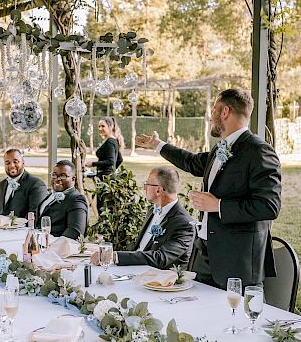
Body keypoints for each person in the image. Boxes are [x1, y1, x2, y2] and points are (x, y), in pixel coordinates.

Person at [135, 89, 281, 289]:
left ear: (225, 112)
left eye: (214, 110)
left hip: (237, 261)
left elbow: (269, 206)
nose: (210, 116)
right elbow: (193, 162)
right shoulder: (220, 148)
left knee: (233, 318)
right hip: (205, 255)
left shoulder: (258, 151)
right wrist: (157, 145)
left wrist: (218, 205)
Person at [91, 167, 194, 269]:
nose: (144, 188)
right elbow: (141, 249)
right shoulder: (152, 210)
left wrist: (115, 256)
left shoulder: (184, 223)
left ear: (158, 190)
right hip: (135, 271)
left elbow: (161, 258)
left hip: (161, 280)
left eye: (147, 185)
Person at [36, 160, 88, 240]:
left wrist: (52, 246)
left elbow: (75, 231)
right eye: (54, 175)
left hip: (56, 248)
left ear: (73, 179)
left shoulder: (76, 200)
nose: (57, 179)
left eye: (63, 176)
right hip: (40, 242)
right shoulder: (51, 195)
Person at [0, 148, 48, 218]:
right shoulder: (1, 185)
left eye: (15, 162)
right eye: (7, 163)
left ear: (23, 162)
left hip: (24, 228)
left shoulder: (36, 184)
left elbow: (35, 216)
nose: (11, 166)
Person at [85, 117, 125, 213]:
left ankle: (103, 226)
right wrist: (112, 171)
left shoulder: (110, 142)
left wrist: (93, 163)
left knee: (101, 207)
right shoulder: (113, 140)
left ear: (111, 126)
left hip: (105, 179)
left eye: (103, 126)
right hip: (108, 177)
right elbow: (119, 159)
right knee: (110, 206)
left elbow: (111, 161)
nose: (100, 128)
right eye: (99, 126)